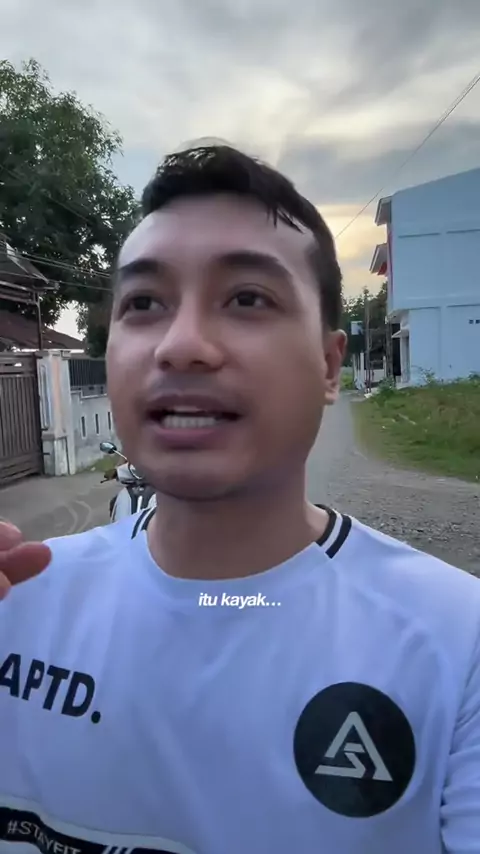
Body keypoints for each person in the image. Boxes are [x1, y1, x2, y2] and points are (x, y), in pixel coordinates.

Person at [0, 145, 478, 854]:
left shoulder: (458, 647)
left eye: (248, 298)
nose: (182, 346)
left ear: (329, 366)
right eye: (144, 304)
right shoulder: (18, 601)